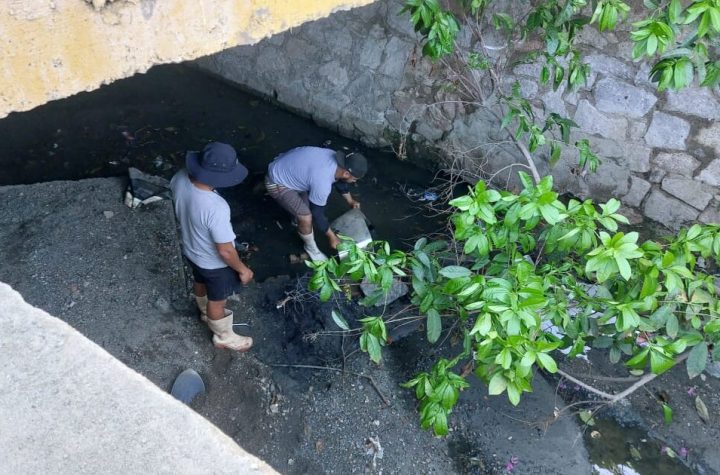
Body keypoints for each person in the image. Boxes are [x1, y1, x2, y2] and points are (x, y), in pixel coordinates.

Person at [170, 142, 255, 352]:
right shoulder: (216, 207)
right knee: (217, 299)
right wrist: (242, 269)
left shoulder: (180, 177)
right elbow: (225, 250)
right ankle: (223, 336)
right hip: (213, 263)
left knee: (199, 279)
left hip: (190, 249)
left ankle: (202, 310)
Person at [264, 146, 367, 261]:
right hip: (277, 182)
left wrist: (350, 200)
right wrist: (332, 237)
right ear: (346, 173)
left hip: (288, 167)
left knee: (304, 205)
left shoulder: (336, 160)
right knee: (306, 217)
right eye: (354, 179)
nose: (355, 181)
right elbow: (317, 213)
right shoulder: (322, 183)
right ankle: (311, 248)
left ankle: (295, 219)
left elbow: (339, 180)